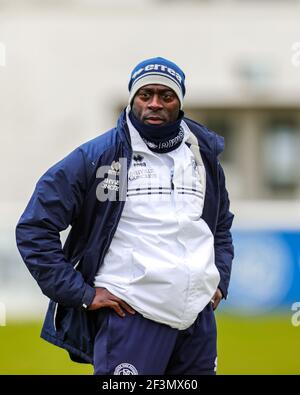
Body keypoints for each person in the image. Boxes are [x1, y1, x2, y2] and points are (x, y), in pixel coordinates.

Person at [16, 57, 234, 375]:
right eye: (146, 95)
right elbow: (35, 227)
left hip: (197, 321)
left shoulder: (202, 156)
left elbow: (221, 225)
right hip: (132, 315)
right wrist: (81, 294)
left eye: (166, 95)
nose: (155, 104)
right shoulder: (99, 157)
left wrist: (219, 281)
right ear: (132, 99)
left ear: (180, 102)